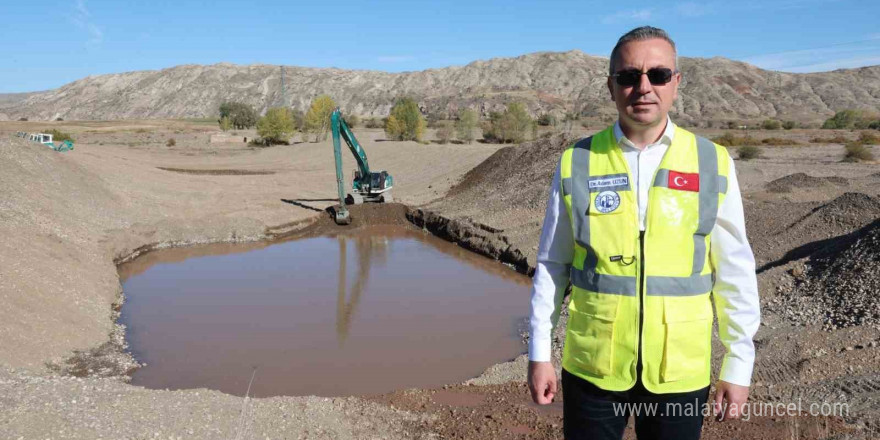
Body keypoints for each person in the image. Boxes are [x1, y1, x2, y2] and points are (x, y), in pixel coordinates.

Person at [527, 26, 760, 440]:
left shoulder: (712, 161)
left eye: (658, 75)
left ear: (676, 83)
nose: (644, 87)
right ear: (611, 86)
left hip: (679, 372)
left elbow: (735, 269)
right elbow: (552, 264)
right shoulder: (576, 162)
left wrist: (739, 363)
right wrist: (539, 352)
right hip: (593, 367)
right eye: (629, 76)